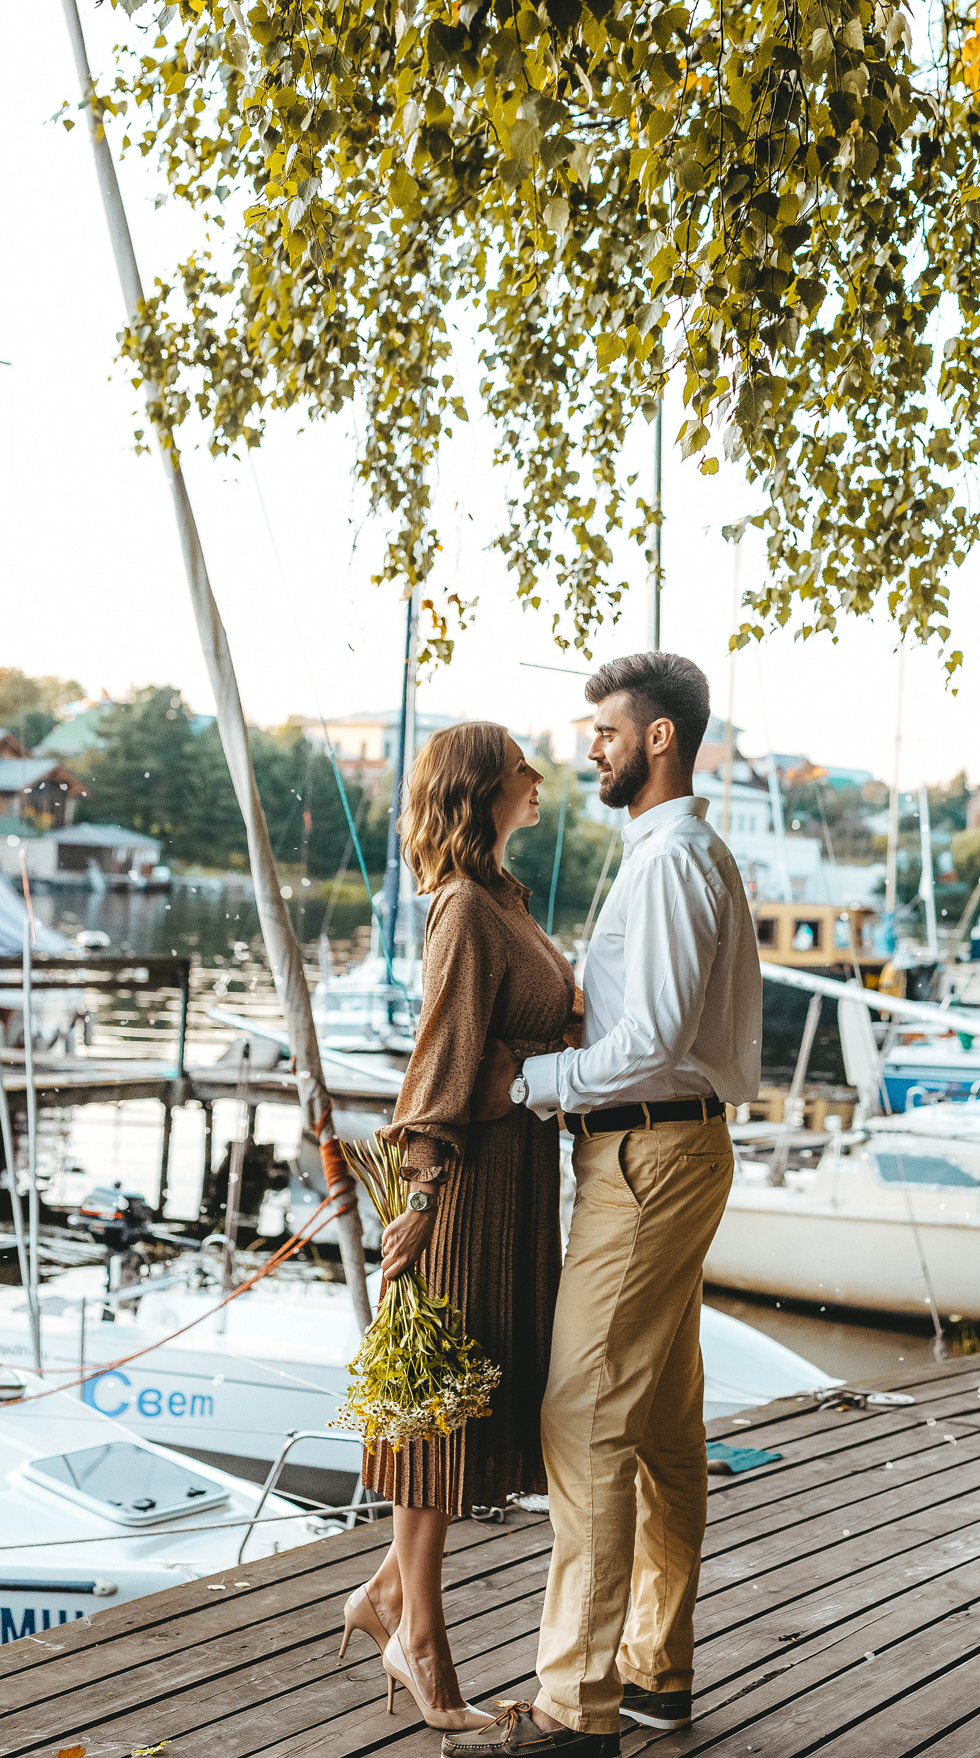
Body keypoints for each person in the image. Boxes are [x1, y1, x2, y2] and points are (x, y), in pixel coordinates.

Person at [445, 654, 762, 1758]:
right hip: (662, 1153)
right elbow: (644, 1027)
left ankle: (571, 1709)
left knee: (580, 1421)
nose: (590, 745)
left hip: (646, 1162)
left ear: (661, 736)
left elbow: (658, 1042)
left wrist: (523, 1084)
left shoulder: (671, 861)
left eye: (606, 729)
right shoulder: (670, 855)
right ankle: (653, 1673)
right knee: (665, 1428)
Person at [338, 721, 579, 1733]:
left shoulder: (500, 900)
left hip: (516, 1173)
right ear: (483, 788)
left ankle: (390, 1595)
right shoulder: (464, 910)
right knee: (438, 1415)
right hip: (471, 1184)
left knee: (472, 1396)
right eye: (523, 768)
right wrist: (422, 1197)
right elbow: (440, 1053)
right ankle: (420, 1639)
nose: (539, 780)